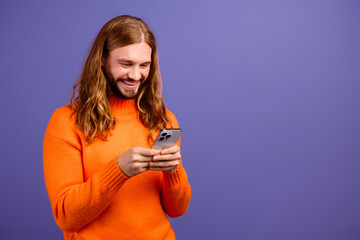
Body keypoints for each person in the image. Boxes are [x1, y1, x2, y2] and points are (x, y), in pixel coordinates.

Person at [43, 15, 191, 240]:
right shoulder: (66, 122)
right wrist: (118, 171)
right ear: (102, 59)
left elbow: (178, 210)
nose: (135, 75)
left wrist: (173, 171)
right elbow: (66, 217)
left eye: (144, 65)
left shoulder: (164, 120)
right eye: (126, 64)